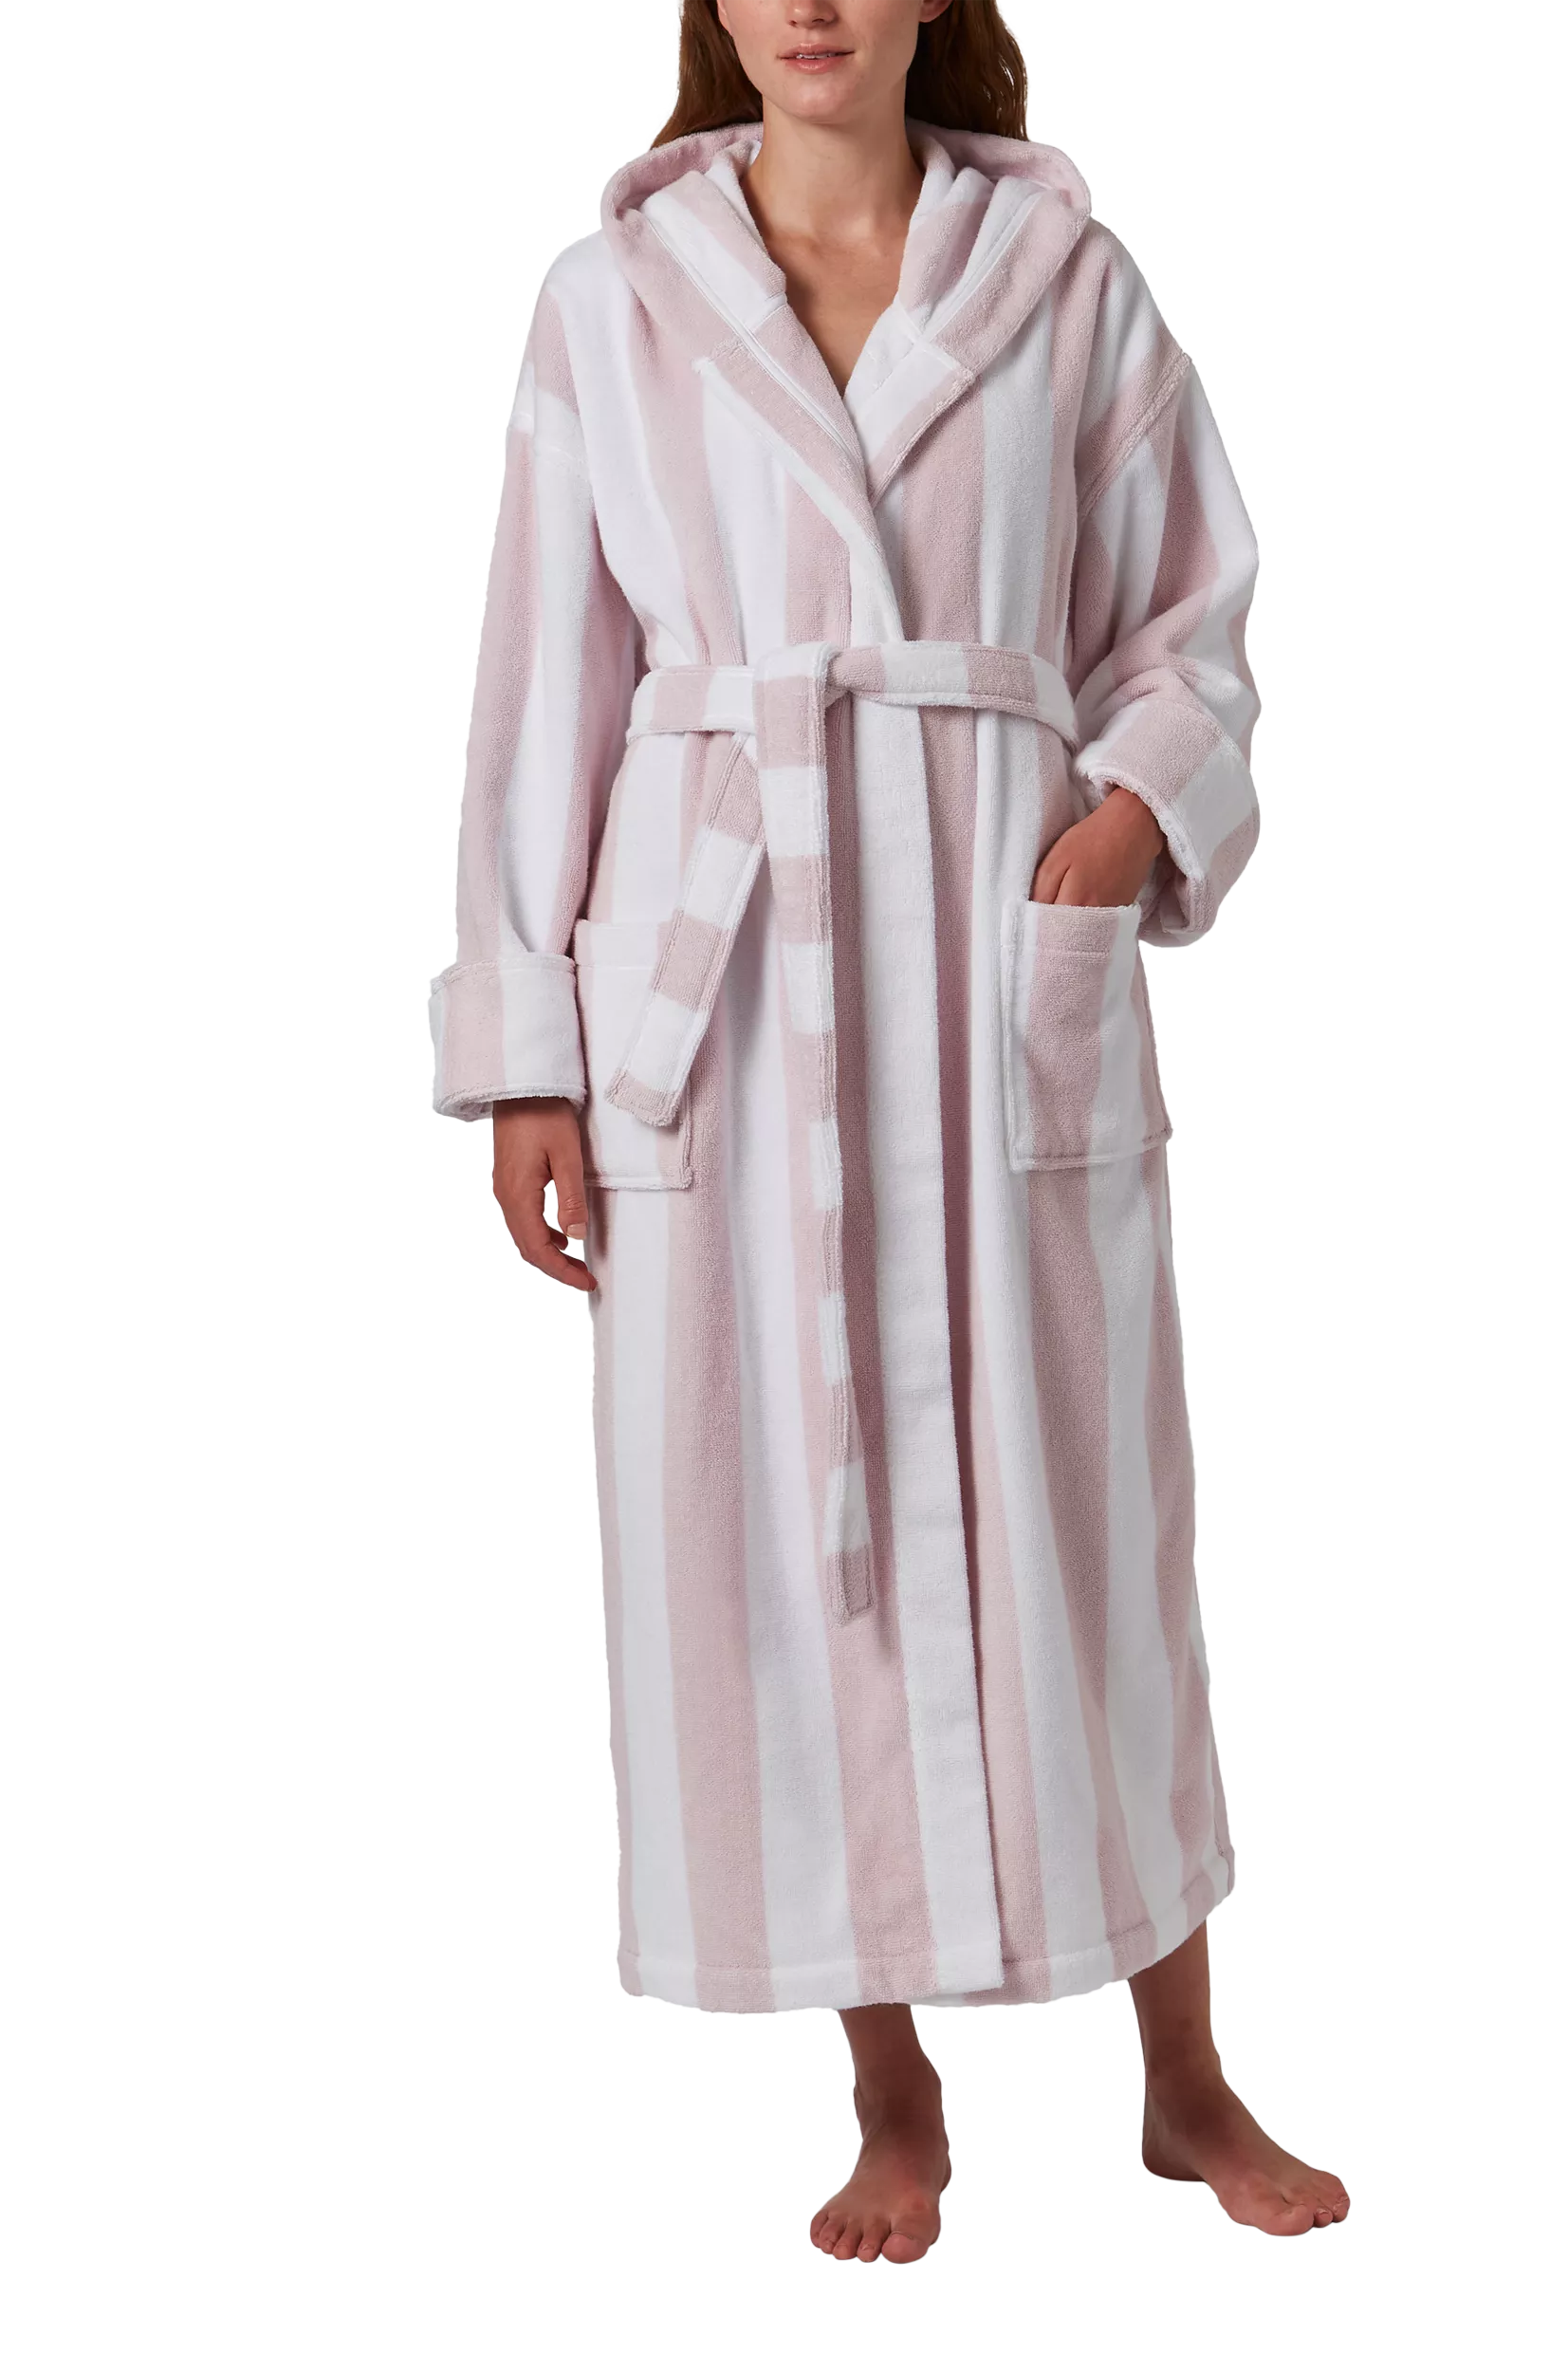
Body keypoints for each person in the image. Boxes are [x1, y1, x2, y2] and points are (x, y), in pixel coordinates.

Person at [429, 0, 1349, 2260]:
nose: (812, 1)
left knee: (1091, 1518)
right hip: (727, 985)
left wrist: (1134, 813)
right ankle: (891, 2086)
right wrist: (530, 1044)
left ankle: (1184, 2071)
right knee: (771, 1518)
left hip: (994, 958)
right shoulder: (609, 301)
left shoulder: (1067, 283)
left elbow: (1190, 614)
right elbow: (543, 680)